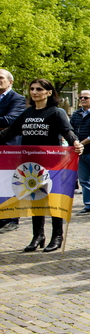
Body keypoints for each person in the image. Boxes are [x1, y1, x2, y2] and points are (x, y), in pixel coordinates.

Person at [0, 78, 84, 252]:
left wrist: (76, 142)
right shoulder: (26, 113)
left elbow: (67, 131)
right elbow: (8, 133)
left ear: (49, 92)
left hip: (52, 164)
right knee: (35, 199)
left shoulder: (56, 112)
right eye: (32, 89)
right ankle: (38, 236)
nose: (34, 92)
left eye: (39, 89)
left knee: (53, 199)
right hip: (30, 165)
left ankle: (57, 236)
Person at [0, 69, 27, 233]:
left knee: (10, 183)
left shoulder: (17, 98)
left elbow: (11, 120)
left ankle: (12, 219)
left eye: (1, 78)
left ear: (10, 82)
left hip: (10, 147)